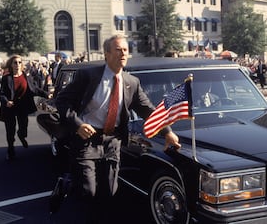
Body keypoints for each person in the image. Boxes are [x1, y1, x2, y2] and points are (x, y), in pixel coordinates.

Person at [55, 35, 181, 223]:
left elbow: (149, 111)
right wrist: (78, 124)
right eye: (118, 49)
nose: (123, 53)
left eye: (125, 50)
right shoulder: (88, 76)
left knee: (110, 191)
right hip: (87, 140)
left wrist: (168, 132)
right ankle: (68, 182)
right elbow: (62, 101)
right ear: (107, 54)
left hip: (112, 141)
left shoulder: (131, 82)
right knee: (88, 191)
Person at [0, 55, 52, 160]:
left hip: (22, 106)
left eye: (19, 62)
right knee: (10, 130)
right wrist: (6, 102)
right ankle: (10, 149)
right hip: (10, 107)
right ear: (11, 65)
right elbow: (1, 94)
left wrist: (46, 94)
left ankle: (21, 136)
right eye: (15, 63)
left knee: (23, 127)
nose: (17, 65)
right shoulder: (6, 78)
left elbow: (34, 89)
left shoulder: (26, 76)